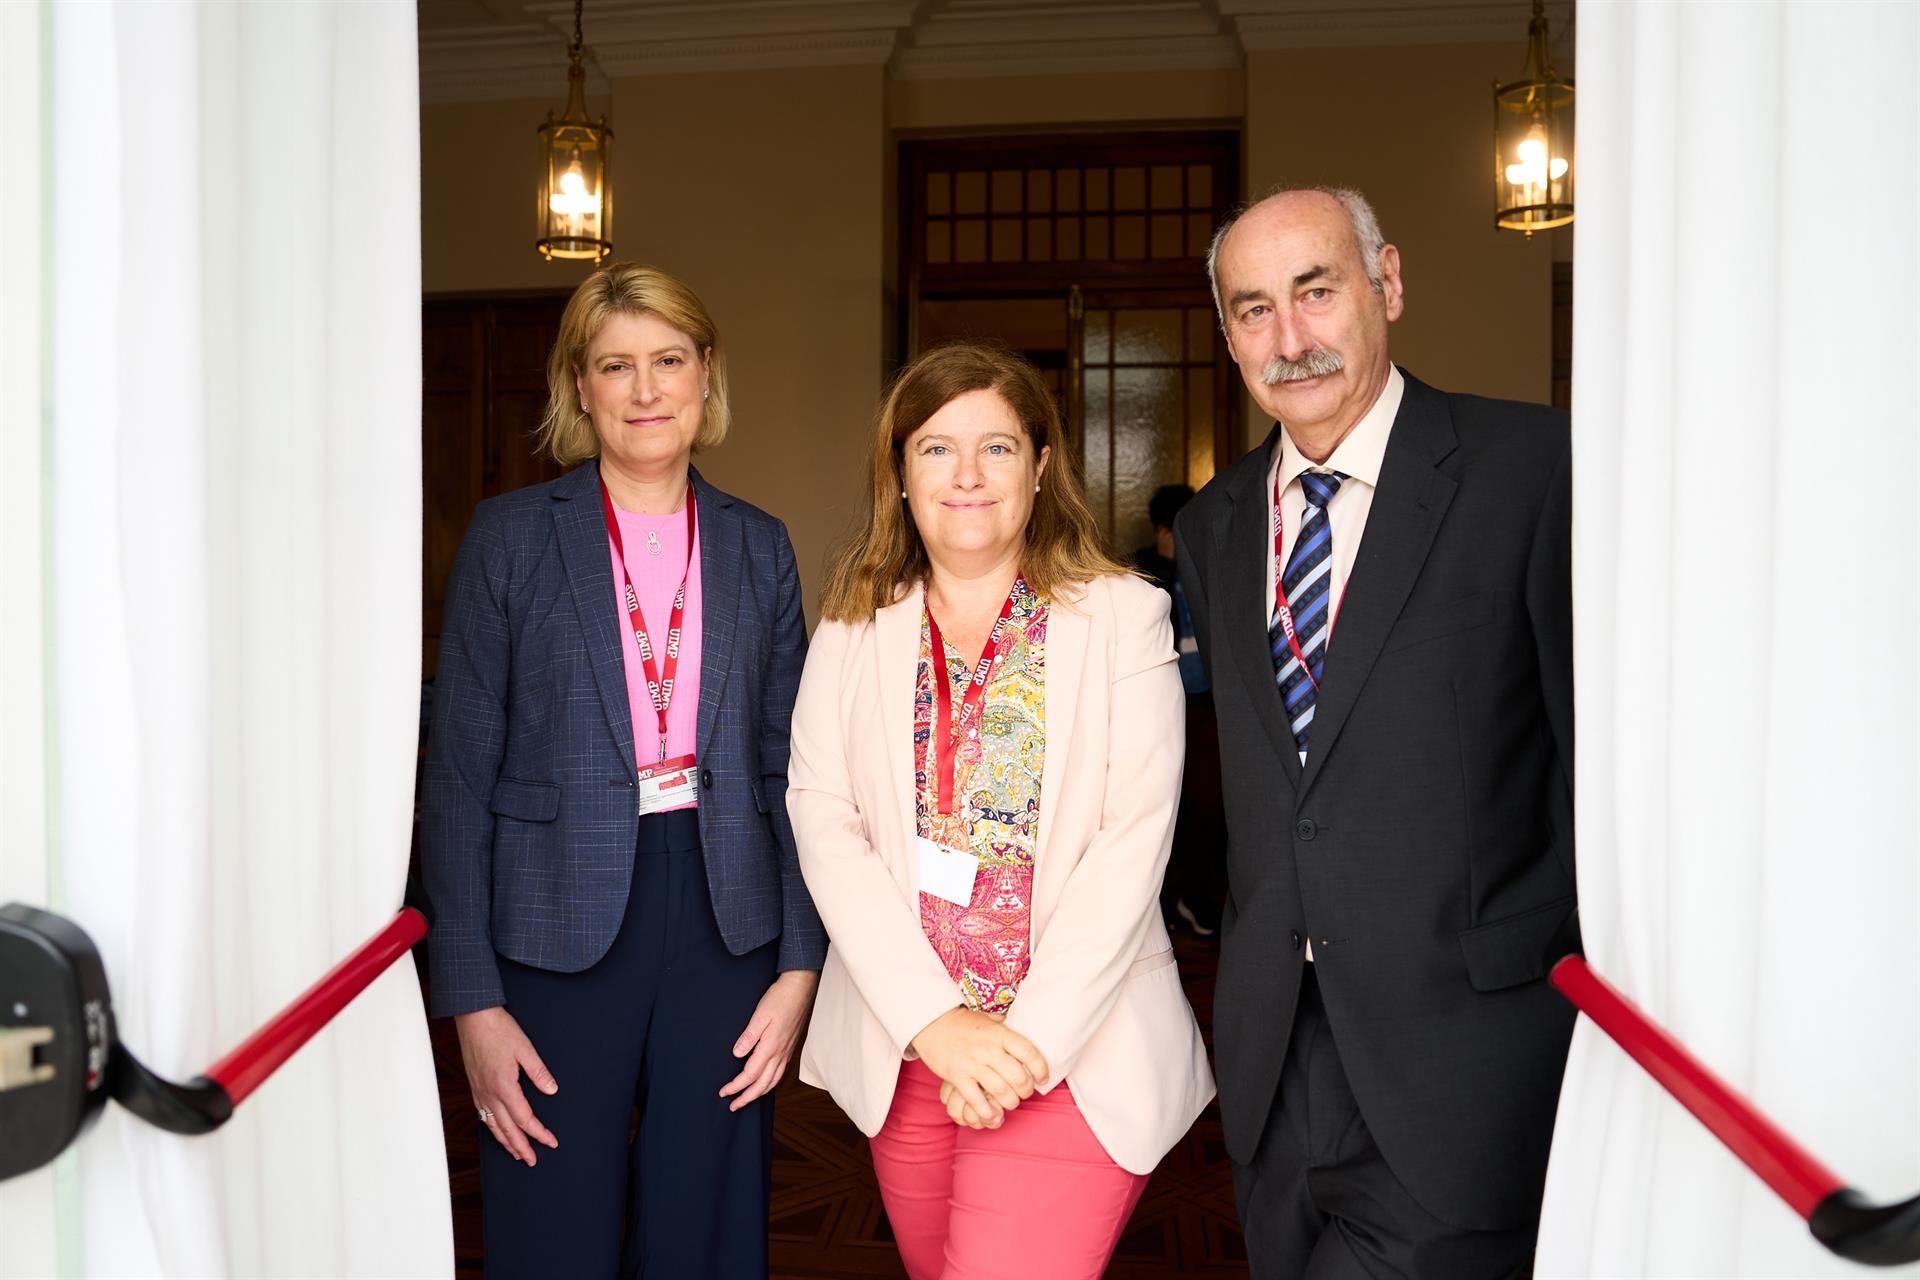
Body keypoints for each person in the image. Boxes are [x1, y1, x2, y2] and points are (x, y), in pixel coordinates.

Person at [1176, 187, 1577, 1277]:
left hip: (1463, 1061)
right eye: (1253, 310)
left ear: (1386, 283)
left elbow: (1595, 777)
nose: (1290, 338)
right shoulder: (1213, 524)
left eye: (1317, 291)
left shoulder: (1533, 471)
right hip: (1275, 1074)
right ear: (1228, 336)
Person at [420, 263, 824, 1279]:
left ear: (703, 376)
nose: (646, 389)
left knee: (706, 1231)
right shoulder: (510, 539)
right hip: (550, 929)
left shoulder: (758, 545)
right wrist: (471, 999)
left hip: (729, 917)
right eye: (616, 366)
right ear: (581, 387)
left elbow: (794, 769)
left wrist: (800, 964)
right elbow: (457, 776)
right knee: (551, 1224)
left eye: (668, 361)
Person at [788, 342, 1214, 1280]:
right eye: (936, 449)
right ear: (899, 472)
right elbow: (823, 819)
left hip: (1071, 1047)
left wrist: (1023, 1048)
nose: (968, 475)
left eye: (999, 447)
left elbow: (1132, 837)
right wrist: (935, 1023)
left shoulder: (1124, 615)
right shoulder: (853, 626)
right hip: (909, 1048)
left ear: (1043, 464)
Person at [1129, 483, 1225, 938]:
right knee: (1157, 804)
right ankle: (1161, 905)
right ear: (1163, 530)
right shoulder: (1141, 572)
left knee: (1209, 805)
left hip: (1209, 704)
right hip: (1156, 706)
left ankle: (1198, 897)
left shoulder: (1211, 564)